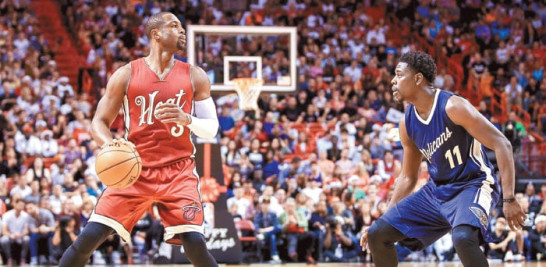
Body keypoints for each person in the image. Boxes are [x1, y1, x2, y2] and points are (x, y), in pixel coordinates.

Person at [60, 12, 219, 267]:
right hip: (135, 170)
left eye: (181, 26)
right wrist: (109, 144)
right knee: (88, 239)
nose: (182, 31)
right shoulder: (126, 74)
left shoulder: (195, 76)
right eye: (174, 26)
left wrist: (187, 119)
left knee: (195, 244)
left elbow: (212, 129)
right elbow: (99, 122)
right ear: (156, 34)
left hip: (178, 171)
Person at [359, 51, 526, 267]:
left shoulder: (453, 106)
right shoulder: (406, 124)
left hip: (472, 184)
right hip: (436, 191)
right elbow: (408, 177)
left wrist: (510, 198)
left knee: (463, 239)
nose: (393, 81)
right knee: (377, 235)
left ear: (418, 78)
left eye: (399, 75)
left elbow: (502, 143)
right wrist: (384, 218)